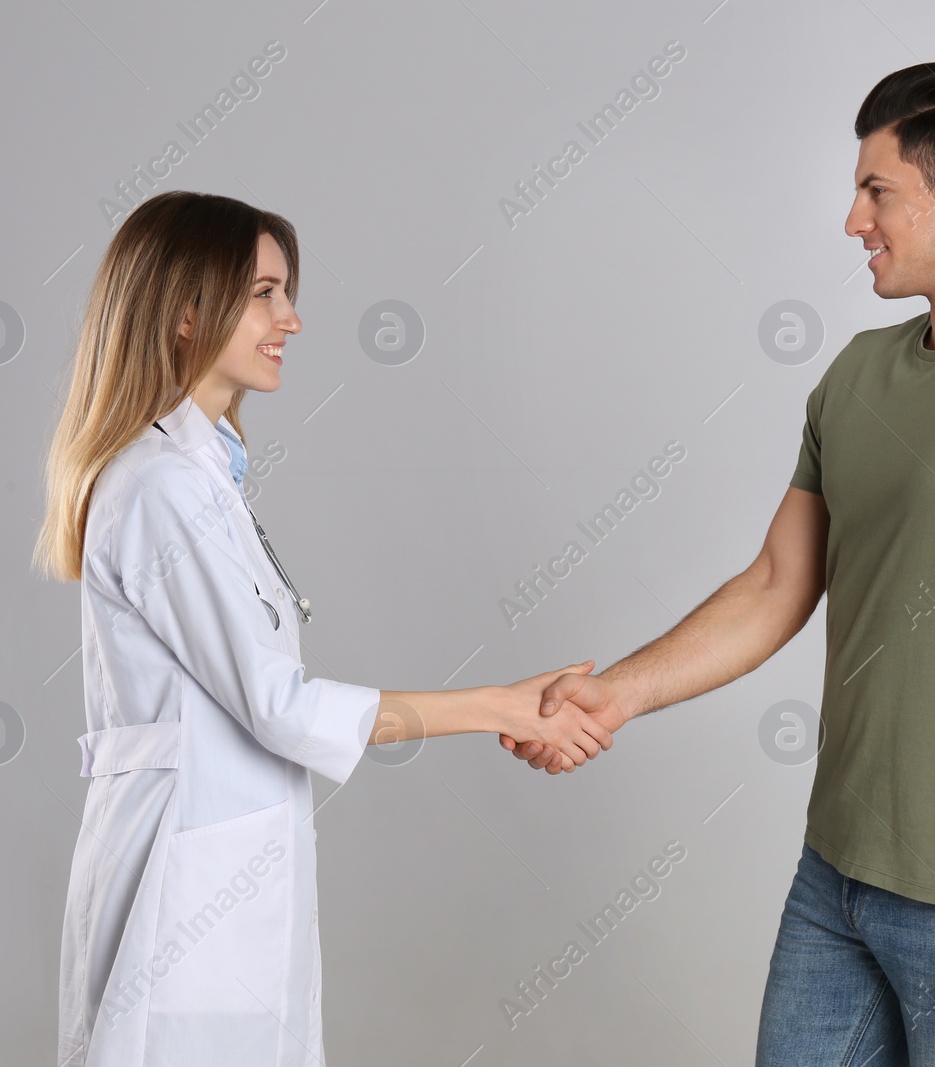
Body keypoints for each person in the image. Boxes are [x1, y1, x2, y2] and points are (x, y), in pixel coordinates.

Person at [502, 62, 935, 1066]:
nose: (854, 219)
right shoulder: (856, 375)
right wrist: (611, 696)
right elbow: (776, 583)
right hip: (835, 881)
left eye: (877, 189)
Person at [32, 190, 612, 1067]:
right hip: (182, 904)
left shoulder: (203, 480)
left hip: (224, 889)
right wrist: (503, 705)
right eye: (264, 293)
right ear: (188, 309)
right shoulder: (161, 489)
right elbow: (281, 708)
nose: (291, 319)